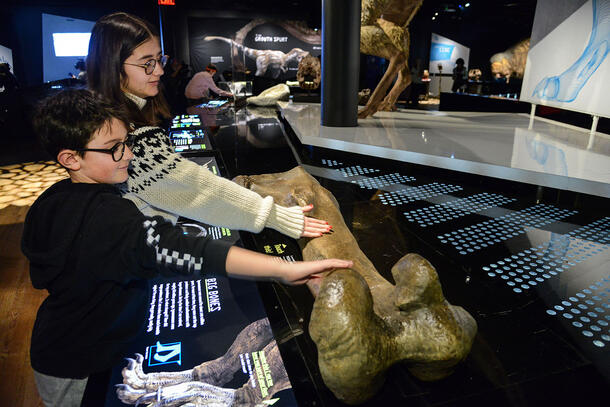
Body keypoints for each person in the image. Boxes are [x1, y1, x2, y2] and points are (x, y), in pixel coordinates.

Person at [22, 89, 352, 407]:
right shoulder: (106, 217)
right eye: (115, 148)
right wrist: (282, 269)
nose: (131, 155)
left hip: (60, 346)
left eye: (126, 143)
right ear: (71, 158)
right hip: (78, 366)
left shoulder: (54, 199)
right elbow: (185, 250)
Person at [86, 12, 329, 241]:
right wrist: (274, 216)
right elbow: (193, 187)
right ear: (113, 66)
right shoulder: (122, 133)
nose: (159, 70)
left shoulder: (112, 114)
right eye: (147, 63)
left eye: (160, 59)